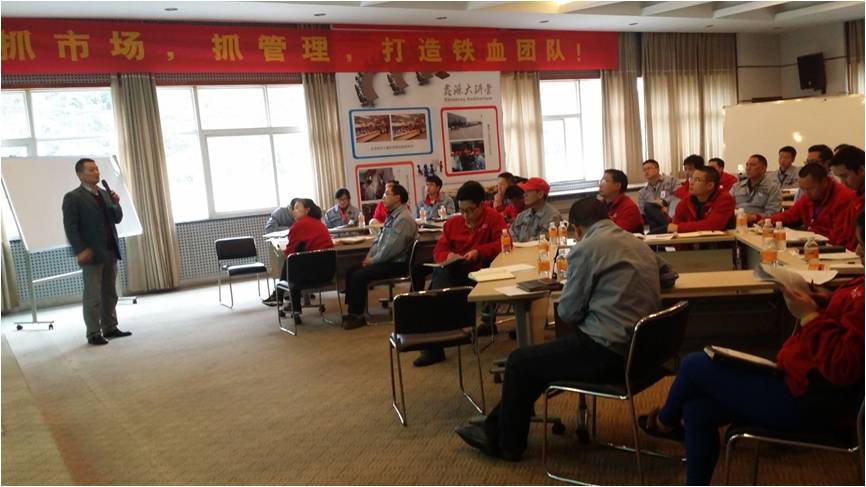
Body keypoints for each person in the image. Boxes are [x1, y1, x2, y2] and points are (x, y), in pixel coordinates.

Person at [639, 212, 865, 486]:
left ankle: (664, 423)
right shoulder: (859, 286)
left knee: (693, 365)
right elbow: (846, 323)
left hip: (810, 400)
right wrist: (827, 302)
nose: (857, 251)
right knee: (696, 410)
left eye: (862, 245)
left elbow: (844, 366)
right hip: (796, 381)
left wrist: (810, 316)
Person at [454, 198, 666, 461]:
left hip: (608, 353)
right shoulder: (636, 243)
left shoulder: (586, 248)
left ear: (576, 229)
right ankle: (494, 427)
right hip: (643, 353)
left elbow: (568, 313)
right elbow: (668, 275)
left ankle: (507, 444)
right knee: (535, 363)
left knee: (519, 361)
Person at [413, 180, 507, 367]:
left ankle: (439, 338)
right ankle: (435, 344)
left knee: (439, 288)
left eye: (470, 210)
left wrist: (479, 252)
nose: (465, 215)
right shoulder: (453, 223)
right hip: (457, 270)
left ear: (481, 205)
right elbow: (439, 251)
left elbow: (503, 243)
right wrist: (448, 256)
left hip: (483, 271)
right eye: (462, 210)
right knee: (439, 280)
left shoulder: (493, 218)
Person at [62, 158, 131, 346]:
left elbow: (117, 218)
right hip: (91, 253)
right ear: (80, 174)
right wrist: (80, 250)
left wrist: (116, 203)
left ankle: (110, 327)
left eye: (97, 169)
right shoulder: (73, 197)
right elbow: (70, 227)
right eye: (91, 170)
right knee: (93, 296)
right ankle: (93, 332)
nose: (96, 172)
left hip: (110, 249)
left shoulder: (105, 194)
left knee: (110, 293)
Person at [342, 184, 417, 330]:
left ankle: (357, 315)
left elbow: (391, 249)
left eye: (387, 194)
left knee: (359, 276)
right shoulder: (392, 215)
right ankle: (353, 311)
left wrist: (372, 261)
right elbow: (379, 240)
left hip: (397, 264)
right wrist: (369, 255)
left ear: (398, 198)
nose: (383, 197)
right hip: (387, 260)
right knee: (351, 271)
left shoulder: (403, 219)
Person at [768, 163, 855, 245]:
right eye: (803, 189)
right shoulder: (809, 197)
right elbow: (790, 215)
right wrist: (768, 221)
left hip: (831, 247)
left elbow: (840, 237)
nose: (806, 193)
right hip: (812, 242)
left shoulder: (843, 198)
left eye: (810, 189)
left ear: (824, 182)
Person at [279, 199, 334, 324]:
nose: (294, 211)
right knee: (295, 261)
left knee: (291, 263)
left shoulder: (298, 226)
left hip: (305, 277)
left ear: (307, 210)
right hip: (327, 274)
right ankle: (282, 298)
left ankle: (285, 300)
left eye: (297, 207)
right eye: (293, 208)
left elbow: (288, 255)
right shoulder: (320, 225)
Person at [667, 166, 735, 233]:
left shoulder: (725, 200)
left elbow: (712, 225)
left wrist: (679, 228)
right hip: (690, 239)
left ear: (710, 186)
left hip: (720, 239)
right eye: (691, 179)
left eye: (697, 180)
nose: (691, 183)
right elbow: (674, 226)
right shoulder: (685, 202)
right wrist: (677, 228)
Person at [262, 198, 301, 305]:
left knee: (292, 262)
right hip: (280, 244)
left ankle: (289, 291)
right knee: (286, 263)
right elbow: (270, 230)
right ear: (290, 208)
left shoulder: (302, 215)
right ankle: (285, 291)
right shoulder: (278, 213)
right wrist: (290, 229)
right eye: (295, 209)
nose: (297, 212)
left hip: (296, 244)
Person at [828, 145, 865, 251]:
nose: (842, 182)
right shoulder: (854, 196)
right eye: (839, 177)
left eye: (844, 176)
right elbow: (843, 233)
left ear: (861, 170)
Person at [730, 154, 782, 224]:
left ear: (763, 169)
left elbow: (773, 213)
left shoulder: (773, 188)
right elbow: (727, 206)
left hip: (759, 224)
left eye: (753, 165)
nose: (748, 168)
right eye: (747, 165)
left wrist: (753, 217)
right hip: (736, 222)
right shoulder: (737, 186)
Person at [509, 177, 562, 242]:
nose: (524, 195)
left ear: (540, 194)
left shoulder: (553, 216)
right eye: (524, 191)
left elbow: (543, 240)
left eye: (528, 191)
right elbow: (511, 233)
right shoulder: (521, 215)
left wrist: (521, 245)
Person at [597, 169, 643, 233]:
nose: (600, 185)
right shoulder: (599, 205)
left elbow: (616, 234)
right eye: (601, 181)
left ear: (617, 186)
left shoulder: (629, 208)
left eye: (604, 181)